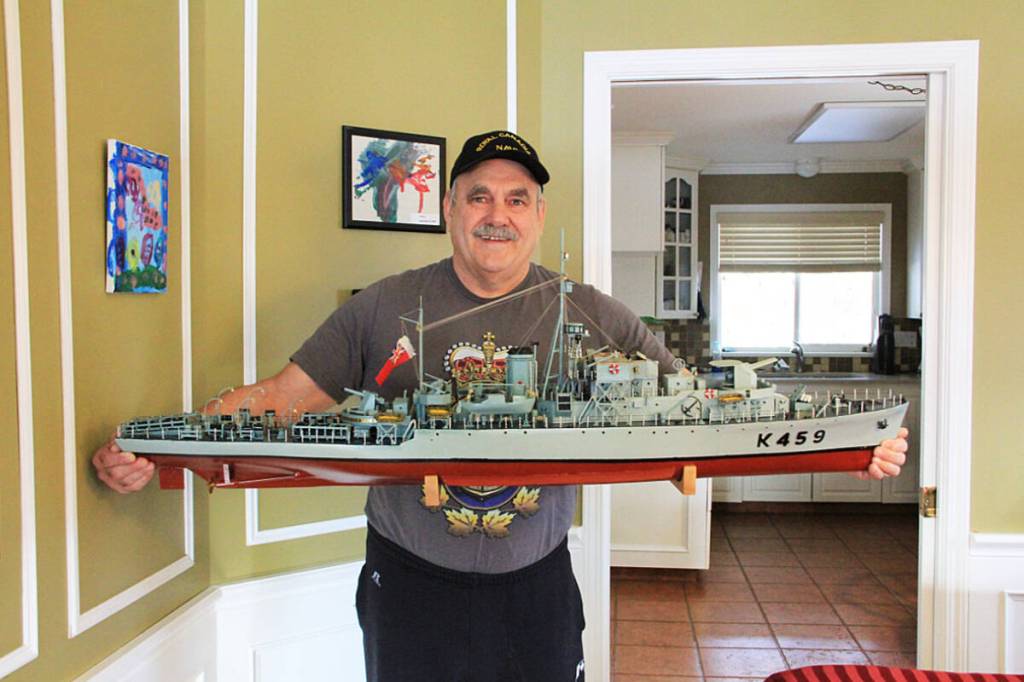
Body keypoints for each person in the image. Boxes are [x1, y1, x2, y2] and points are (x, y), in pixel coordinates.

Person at [93, 130, 910, 682]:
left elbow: (695, 412)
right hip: (410, 583)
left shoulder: (593, 313)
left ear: (538, 215)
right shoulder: (383, 308)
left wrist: (838, 450)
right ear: (450, 209)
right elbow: (276, 402)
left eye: (517, 199)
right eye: (479, 196)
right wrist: (156, 448)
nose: (497, 214)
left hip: (536, 587)